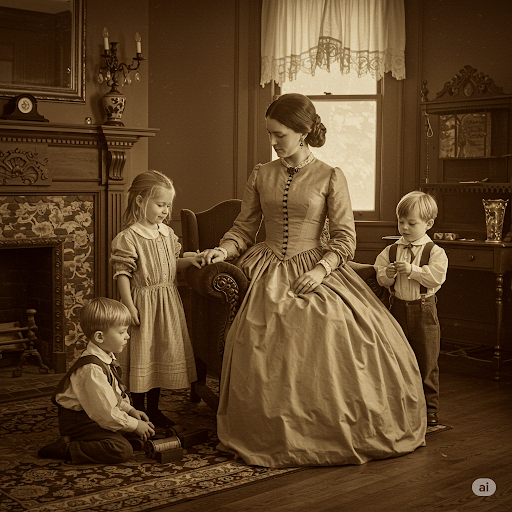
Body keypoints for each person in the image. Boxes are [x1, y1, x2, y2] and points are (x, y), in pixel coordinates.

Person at [201, 93, 427, 468]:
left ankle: (327, 427)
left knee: (335, 324)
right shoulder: (261, 174)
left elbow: (345, 239)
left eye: (280, 135)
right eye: (270, 134)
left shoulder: (330, 176)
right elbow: (243, 228)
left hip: (318, 266)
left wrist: (320, 270)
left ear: (303, 132)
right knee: (262, 331)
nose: (273, 142)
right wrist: (222, 251)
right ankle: (271, 427)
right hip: (266, 265)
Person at [110, 170, 203, 428]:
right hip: (143, 304)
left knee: (159, 355)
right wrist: (128, 306)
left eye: (168, 206)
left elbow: (172, 263)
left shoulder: (167, 233)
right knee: (143, 356)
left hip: (167, 303)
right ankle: (137, 409)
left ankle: (154, 409)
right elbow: (122, 273)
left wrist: (190, 261)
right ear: (140, 201)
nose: (165, 211)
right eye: (160, 204)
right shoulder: (129, 237)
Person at [38, 297, 155, 464]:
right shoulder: (91, 369)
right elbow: (106, 413)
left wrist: (129, 410)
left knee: (130, 426)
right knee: (122, 449)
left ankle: (118, 436)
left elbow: (113, 396)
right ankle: (68, 448)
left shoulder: (106, 358)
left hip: (94, 413)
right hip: (79, 422)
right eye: (122, 332)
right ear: (100, 337)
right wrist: (135, 425)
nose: (127, 336)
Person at [375, 190, 448, 427]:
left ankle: (430, 409)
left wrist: (413, 271)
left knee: (427, 361)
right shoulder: (391, 250)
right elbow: (380, 276)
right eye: (401, 222)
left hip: (424, 311)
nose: (404, 228)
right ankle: (401, 407)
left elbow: (436, 277)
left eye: (412, 223)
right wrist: (387, 274)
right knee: (397, 359)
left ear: (429, 224)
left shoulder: (435, 252)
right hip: (396, 309)